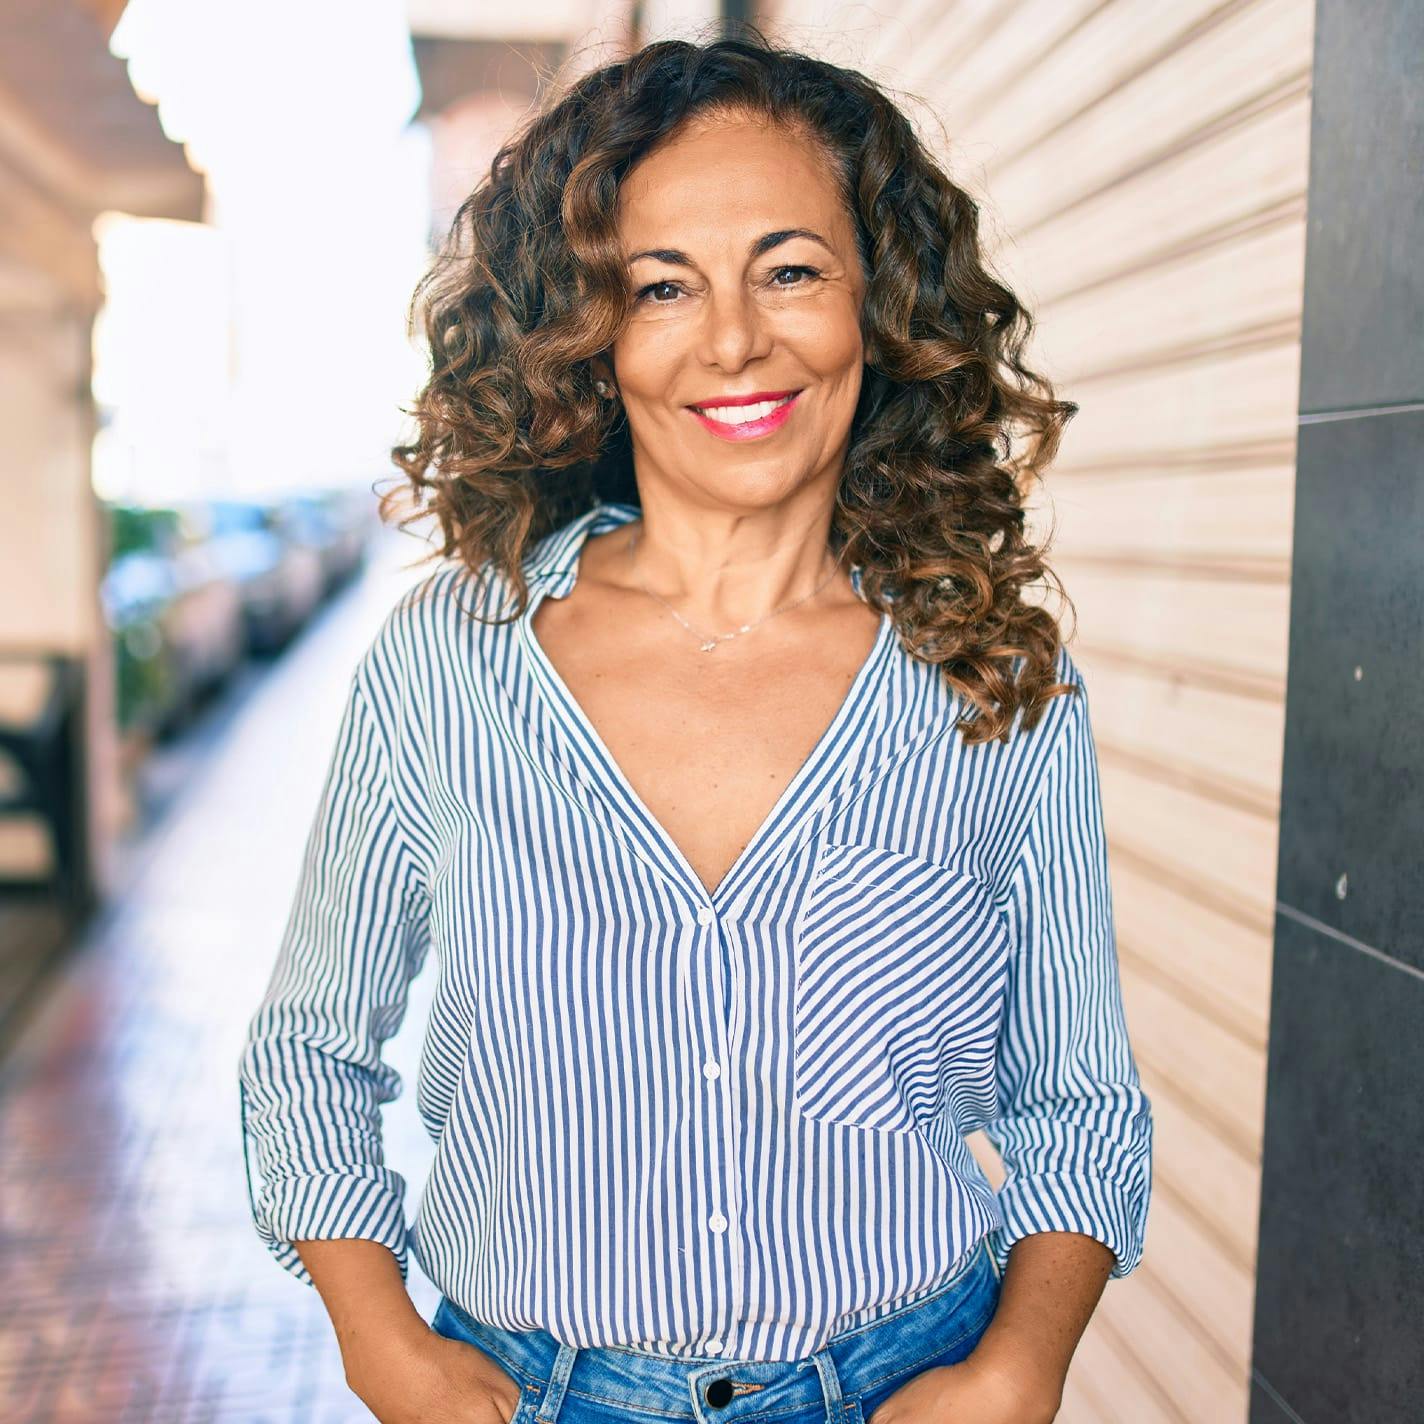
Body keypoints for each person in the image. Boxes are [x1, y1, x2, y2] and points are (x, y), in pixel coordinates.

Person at [237, 29, 1152, 1424]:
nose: (733, 340)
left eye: (790, 271)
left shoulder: (992, 676)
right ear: (589, 338)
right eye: (661, 286)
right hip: (533, 1392)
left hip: (903, 1386)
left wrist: (1022, 1364)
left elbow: (1079, 1096)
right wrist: (381, 1342)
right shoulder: (453, 661)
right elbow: (311, 1048)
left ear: (881, 304)